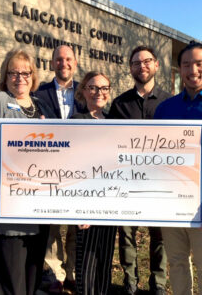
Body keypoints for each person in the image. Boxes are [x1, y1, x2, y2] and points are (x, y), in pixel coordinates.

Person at [154, 41, 202, 295]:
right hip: (171, 205)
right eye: (186, 64)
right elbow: (154, 156)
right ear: (180, 68)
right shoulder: (165, 109)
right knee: (176, 264)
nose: (192, 70)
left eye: (198, 64)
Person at [0, 48, 54, 295]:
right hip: (8, 209)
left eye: (26, 72)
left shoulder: (40, 104)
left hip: (38, 210)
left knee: (31, 281)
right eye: (13, 72)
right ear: (5, 75)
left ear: (33, 75)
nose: (20, 77)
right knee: (10, 283)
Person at [108, 45, 171, 295]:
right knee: (126, 236)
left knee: (160, 238)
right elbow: (108, 142)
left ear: (156, 65)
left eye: (146, 61)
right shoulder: (119, 104)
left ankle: (158, 284)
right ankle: (130, 281)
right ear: (130, 68)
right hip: (128, 184)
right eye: (136, 62)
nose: (141, 66)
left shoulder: (171, 103)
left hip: (161, 184)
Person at [34, 45, 86, 294]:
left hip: (80, 168)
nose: (63, 63)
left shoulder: (85, 92)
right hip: (49, 170)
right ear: (52, 63)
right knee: (51, 225)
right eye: (58, 59)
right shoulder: (39, 93)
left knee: (78, 224)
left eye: (68, 59)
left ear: (75, 63)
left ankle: (75, 272)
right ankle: (55, 273)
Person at [72, 71, 117, 295]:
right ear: (83, 91)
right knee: (87, 264)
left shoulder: (114, 121)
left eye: (104, 88)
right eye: (93, 87)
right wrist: (79, 209)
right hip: (86, 208)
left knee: (104, 261)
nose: (98, 92)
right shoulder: (75, 121)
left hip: (110, 204)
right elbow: (69, 168)